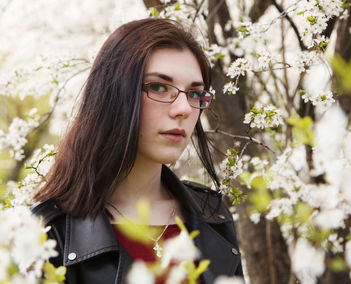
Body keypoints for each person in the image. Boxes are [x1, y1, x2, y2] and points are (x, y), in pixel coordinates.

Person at [32, 18, 243, 284]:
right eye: (158, 87)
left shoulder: (213, 216)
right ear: (113, 95)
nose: (185, 109)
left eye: (194, 93)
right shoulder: (49, 232)